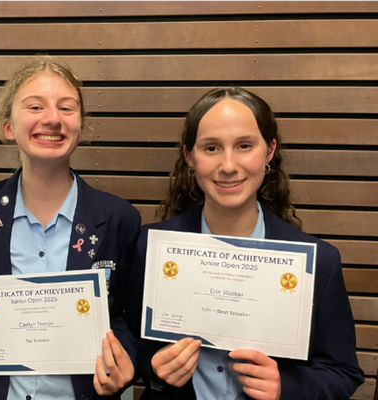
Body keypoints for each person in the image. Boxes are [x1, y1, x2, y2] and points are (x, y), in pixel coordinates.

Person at [125, 87, 364, 400]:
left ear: (269, 151)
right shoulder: (151, 248)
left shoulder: (320, 263)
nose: (228, 165)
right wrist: (154, 367)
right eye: (211, 148)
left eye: (244, 146)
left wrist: (286, 387)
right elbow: (131, 340)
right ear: (190, 157)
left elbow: (343, 372)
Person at [0, 56, 140, 400]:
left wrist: (125, 361)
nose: (52, 119)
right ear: (8, 126)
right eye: (35, 106)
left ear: (81, 127)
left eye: (66, 107)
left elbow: (122, 316)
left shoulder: (119, 218)